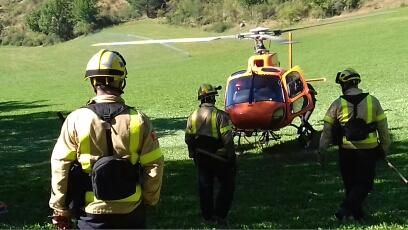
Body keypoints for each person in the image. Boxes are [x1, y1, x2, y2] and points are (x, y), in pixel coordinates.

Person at [49, 49, 164, 229]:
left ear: (93, 82)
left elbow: (60, 166)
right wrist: (150, 199)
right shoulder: (139, 119)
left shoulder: (76, 119)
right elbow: (154, 164)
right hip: (131, 209)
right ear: (121, 81)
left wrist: (59, 207)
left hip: (90, 211)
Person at [319, 68, 391, 221]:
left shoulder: (337, 104)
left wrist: (322, 150)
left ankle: (353, 213)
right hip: (369, 150)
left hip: (346, 150)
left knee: (350, 183)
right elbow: (383, 128)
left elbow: (327, 131)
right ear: (357, 83)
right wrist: (384, 148)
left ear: (344, 85)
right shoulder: (373, 101)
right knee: (365, 183)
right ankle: (348, 211)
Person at [185, 84, 236, 227]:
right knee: (227, 185)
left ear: (201, 99)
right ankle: (220, 215)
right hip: (219, 158)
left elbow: (188, 139)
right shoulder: (220, 116)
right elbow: (227, 140)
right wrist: (231, 158)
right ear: (212, 97)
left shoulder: (192, 116)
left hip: (201, 158)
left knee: (205, 187)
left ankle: (207, 217)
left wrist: (192, 154)